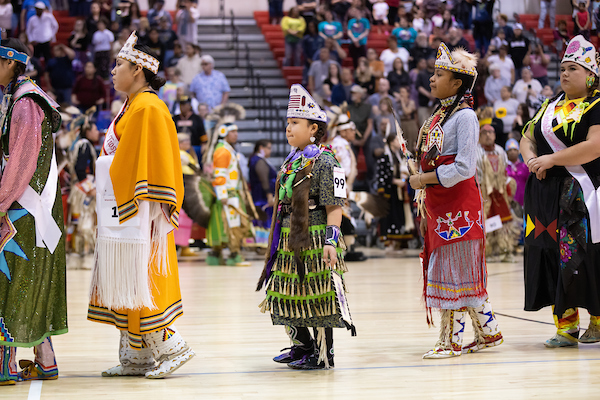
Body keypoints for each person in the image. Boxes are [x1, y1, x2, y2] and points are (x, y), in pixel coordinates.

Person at [87, 31, 195, 379]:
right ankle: (137, 355)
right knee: (129, 279)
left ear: (138, 69)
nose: (113, 71)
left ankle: (171, 346)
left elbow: (152, 164)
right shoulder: (133, 105)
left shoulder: (149, 108)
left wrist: (108, 173)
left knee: (143, 277)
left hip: (143, 213)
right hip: (125, 211)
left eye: (119, 64)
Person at [408, 43, 503, 358]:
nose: (432, 79)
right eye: (433, 74)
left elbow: (464, 166)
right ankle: (488, 333)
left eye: (439, 74)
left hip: (457, 203)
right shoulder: (439, 114)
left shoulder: (464, 117)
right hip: (441, 202)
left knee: (451, 270)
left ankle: (453, 341)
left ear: (458, 82)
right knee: (456, 268)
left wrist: (423, 179)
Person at [256, 84, 356, 370]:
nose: (289, 128)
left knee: (317, 292)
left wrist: (330, 241)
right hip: (287, 238)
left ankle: (323, 354)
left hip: (314, 238)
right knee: (285, 292)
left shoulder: (326, 161)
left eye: (295, 123)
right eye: (288, 123)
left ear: (313, 129)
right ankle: (302, 346)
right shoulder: (291, 161)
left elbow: (335, 206)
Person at [521, 35, 600, 347]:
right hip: (544, 194)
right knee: (550, 255)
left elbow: (594, 147)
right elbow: (527, 136)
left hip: (580, 194)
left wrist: (551, 158)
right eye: (563, 68)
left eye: (573, 69)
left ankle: (597, 319)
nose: (564, 73)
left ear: (591, 76)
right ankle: (565, 325)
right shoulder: (549, 105)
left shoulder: (596, 106)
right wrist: (531, 160)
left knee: (583, 255)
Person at [0, 38, 66, 385]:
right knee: (30, 280)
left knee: (12, 280)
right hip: (32, 208)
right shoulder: (21, 98)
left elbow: (21, 163)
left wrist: (0, 202)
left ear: (12, 63)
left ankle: (6, 364)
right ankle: (46, 359)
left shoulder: (26, 103)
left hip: (25, 209)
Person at [205, 123, 254, 266]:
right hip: (228, 194)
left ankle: (219, 254)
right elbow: (219, 174)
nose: (236, 135)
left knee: (233, 224)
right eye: (233, 132)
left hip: (231, 192)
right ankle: (233, 254)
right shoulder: (222, 151)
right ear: (224, 132)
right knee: (232, 224)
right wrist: (223, 195)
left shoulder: (227, 149)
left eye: (236, 132)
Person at [475, 124, 517, 261]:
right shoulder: (476, 152)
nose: (488, 135)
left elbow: (504, 172)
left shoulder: (500, 151)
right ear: (480, 136)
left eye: (490, 132)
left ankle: (505, 250)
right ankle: (486, 253)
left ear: (494, 135)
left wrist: (508, 190)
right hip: (483, 193)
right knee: (485, 221)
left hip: (499, 192)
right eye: (484, 133)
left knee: (504, 222)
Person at [67, 118, 99, 264]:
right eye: (95, 129)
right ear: (88, 131)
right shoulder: (85, 145)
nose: (97, 132)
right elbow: (80, 170)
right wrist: (89, 188)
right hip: (83, 189)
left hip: (79, 188)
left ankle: (77, 252)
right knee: (83, 221)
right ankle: (83, 253)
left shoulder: (81, 145)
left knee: (77, 220)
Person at [376, 131, 415, 245]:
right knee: (389, 216)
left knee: (398, 215)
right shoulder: (385, 157)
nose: (400, 142)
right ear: (391, 142)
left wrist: (403, 181)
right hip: (389, 192)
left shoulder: (399, 157)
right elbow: (382, 175)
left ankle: (398, 242)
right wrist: (394, 181)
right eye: (397, 140)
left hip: (399, 192)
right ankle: (388, 242)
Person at [249, 139, 277, 229]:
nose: (270, 151)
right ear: (261, 148)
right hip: (262, 198)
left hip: (261, 196)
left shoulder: (259, 160)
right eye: (269, 148)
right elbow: (264, 179)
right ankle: (265, 241)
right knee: (264, 221)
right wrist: (269, 195)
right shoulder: (258, 161)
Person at [505, 138, 528, 211]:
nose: (512, 152)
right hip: (509, 202)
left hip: (524, 201)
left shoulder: (525, 166)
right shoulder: (503, 167)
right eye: (510, 150)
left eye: (514, 150)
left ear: (518, 151)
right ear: (506, 152)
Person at [416, 56, 436, 125]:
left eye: (433, 60)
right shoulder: (422, 73)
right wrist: (428, 95)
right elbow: (418, 86)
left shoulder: (438, 74)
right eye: (430, 60)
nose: (432, 62)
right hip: (423, 105)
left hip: (436, 104)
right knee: (424, 127)